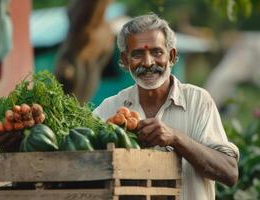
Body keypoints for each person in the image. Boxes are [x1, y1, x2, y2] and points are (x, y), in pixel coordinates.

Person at [92, 14, 239, 200]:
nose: (147, 63)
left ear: (172, 55)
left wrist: (177, 138)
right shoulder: (109, 108)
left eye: (157, 52)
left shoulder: (198, 101)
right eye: (137, 54)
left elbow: (230, 173)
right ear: (125, 59)